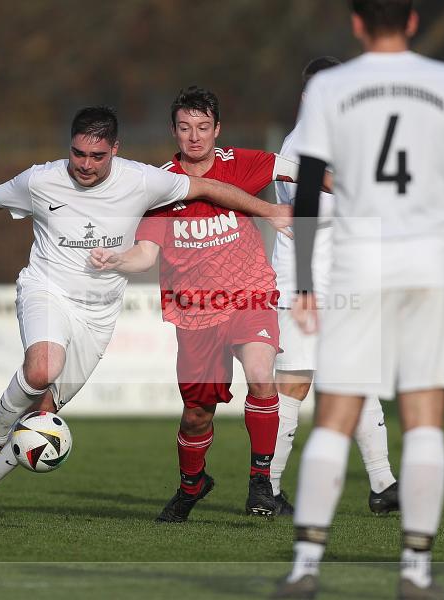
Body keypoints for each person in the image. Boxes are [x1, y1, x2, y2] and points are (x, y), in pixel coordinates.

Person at [0, 106, 291, 525]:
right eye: (78, 154)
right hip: (48, 290)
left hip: (98, 314)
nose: (85, 164)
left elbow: (209, 187)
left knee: (42, 417)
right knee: (42, 368)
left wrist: (267, 210)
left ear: (114, 150)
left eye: (97, 156)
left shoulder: (142, 180)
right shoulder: (40, 179)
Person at [273, 1, 444, 598]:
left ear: (357, 24)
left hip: (358, 268)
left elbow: (304, 189)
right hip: (430, 266)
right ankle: (415, 570)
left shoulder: (330, 88)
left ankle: (306, 566)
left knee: (334, 416)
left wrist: (303, 280)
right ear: (413, 21)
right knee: (425, 420)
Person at [89, 86, 316, 521]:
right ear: (173, 131)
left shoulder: (240, 164)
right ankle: (192, 483)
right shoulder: (160, 187)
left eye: (203, 127)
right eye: (185, 127)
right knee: (197, 414)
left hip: (250, 294)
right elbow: (146, 255)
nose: (195, 137)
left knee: (261, 375)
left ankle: (261, 482)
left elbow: (294, 169)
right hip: (195, 312)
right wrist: (118, 259)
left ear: (217, 129)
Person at [269, 56, 398, 517]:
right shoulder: (300, 142)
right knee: (294, 384)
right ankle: (267, 487)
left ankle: (383, 484)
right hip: (300, 283)